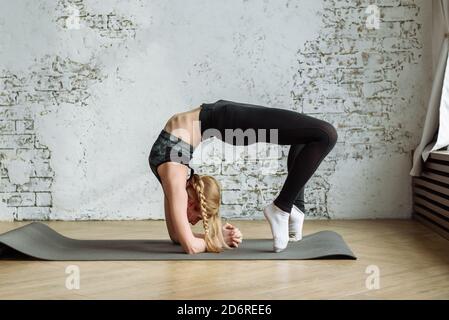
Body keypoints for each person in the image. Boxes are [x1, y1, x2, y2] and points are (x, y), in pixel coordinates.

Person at [148, 99, 337, 254]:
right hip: (219, 119)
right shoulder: (175, 178)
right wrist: (218, 236)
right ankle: (295, 207)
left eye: (197, 218)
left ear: (191, 203)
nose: (193, 223)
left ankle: (282, 207)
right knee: (309, 136)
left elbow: (189, 245)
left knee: (326, 135)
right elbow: (177, 236)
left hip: (225, 121)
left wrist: (217, 239)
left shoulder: (175, 180)